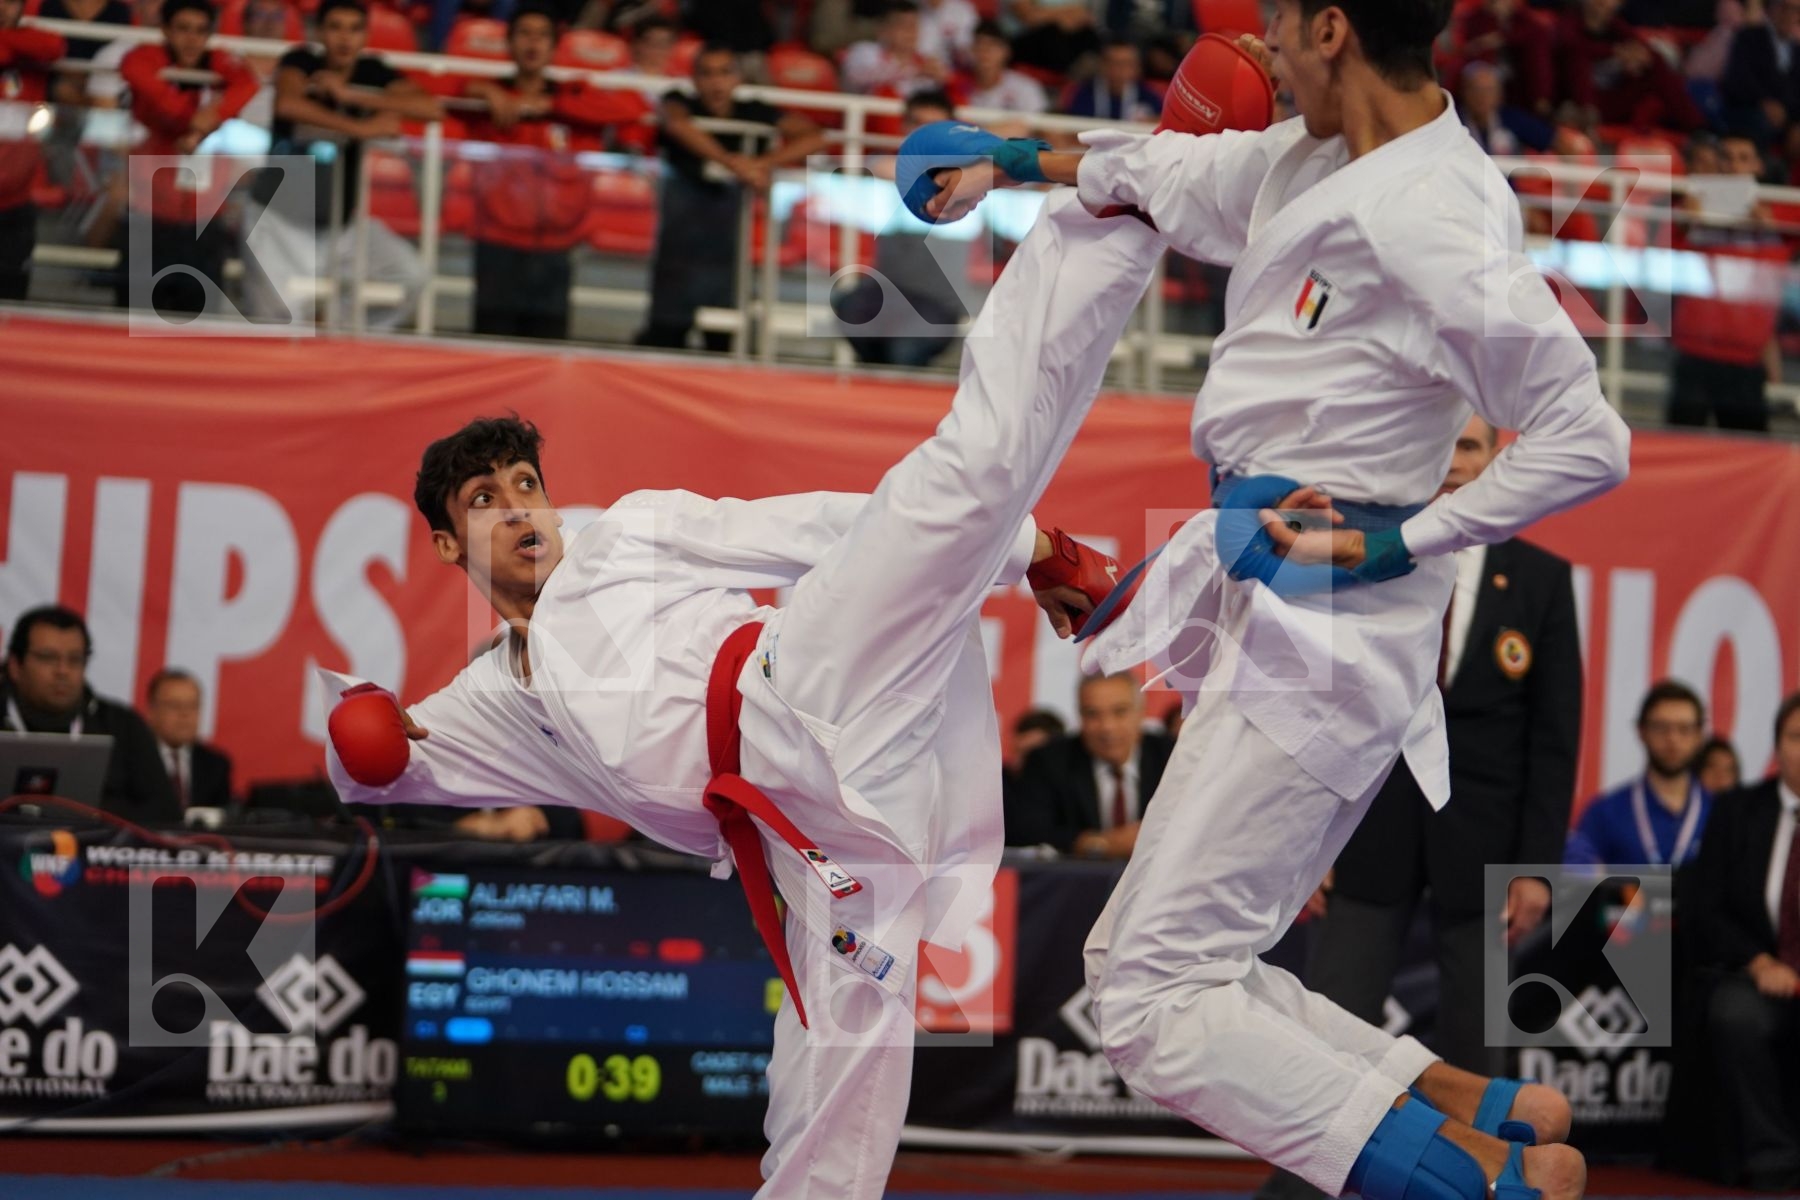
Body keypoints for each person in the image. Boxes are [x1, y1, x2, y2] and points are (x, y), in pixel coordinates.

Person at [322, 116, 1163, 1195]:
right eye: (486, 502)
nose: (520, 510)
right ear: (448, 544)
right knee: (840, 1063)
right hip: (801, 839)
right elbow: (389, 766)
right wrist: (364, 735)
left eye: (525, 485)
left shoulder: (624, 533)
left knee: (970, 469)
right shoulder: (493, 698)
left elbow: (812, 529)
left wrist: (1026, 552)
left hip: (804, 676)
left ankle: (1125, 197)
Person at [914, 2, 1631, 1196]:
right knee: (1168, 958)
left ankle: (1481, 1184)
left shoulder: (1435, 216)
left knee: (1145, 1003)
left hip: (1336, 638)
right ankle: (1468, 1102)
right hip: (1276, 606)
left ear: (1334, 27)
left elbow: (1586, 437)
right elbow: (1166, 166)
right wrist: (1001, 155)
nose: (1256, 52)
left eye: (1275, 26)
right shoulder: (1316, 155)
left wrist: (1406, 537)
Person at [1257, 414, 1583, 1200]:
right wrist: (1307, 845)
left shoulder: (1539, 578)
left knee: (1479, 1055)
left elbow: (1554, 737)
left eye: (1467, 448)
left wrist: (1535, 869)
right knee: (1329, 1033)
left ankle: (1487, 1181)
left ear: (1494, 457)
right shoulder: (1361, 559)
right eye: (1440, 448)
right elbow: (1316, 711)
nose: (1452, 466)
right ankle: (1300, 1190)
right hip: (1367, 837)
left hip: (1482, 850)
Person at [240, 0, 442, 330]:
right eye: (335, 28)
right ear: (319, 32)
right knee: (275, 332)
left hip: (342, 226)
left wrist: (353, 96)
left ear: (365, 35)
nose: (344, 38)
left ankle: (334, 330)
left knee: (411, 275)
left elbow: (431, 108)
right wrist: (361, 129)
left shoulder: (371, 71)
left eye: (354, 29)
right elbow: (289, 103)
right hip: (279, 222)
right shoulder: (301, 61)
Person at [463, 2, 640, 339]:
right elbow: (437, 92)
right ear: (510, 42)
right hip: (497, 243)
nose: (533, 44)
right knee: (490, 347)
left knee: (547, 348)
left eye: (542, 36)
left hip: (557, 246)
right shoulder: (489, 98)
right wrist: (482, 91)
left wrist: (552, 106)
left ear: (554, 46)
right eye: (525, 35)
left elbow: (632, 108)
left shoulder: (572, 96)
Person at [636, 44, 823, 351]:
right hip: (679, 250)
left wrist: (762, 163)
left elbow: (814, 136)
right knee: (664, 339)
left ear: (738, 78)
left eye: (724, 73)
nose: (716, 82)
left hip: (729, 254)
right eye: (707, 74)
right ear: (694, 79)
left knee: (726, 344)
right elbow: (677, 124)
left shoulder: (753, 111)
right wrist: (731, 161)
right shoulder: (679, 102)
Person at [1692, 691, 1800, 1191]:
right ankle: (1774, 1157)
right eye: (1797, 738)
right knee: (1734, 1016)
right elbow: (1706, 908)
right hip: (1755, 974)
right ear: (1777, 747)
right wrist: (1759, 961)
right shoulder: (1737, 811)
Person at [120, 0, 259, 315]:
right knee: (131, 322)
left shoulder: (220, 66)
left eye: (200, 31)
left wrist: (204, 122)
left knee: (199, 328)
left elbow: (248, 82)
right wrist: (196, 119)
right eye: (182, 29)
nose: (191, 39)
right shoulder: (147, 58)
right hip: (148, 214)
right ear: (166, 30)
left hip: (205, 220)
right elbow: (134, 70)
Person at [2, 606, 179, 820]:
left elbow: (166, 811)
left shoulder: (121, 725)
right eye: (47, 658)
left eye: (75, 659)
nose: (62, 671)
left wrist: (95, 814)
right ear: (15, 666)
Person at [839, 89, 970, 367]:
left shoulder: (973, 173)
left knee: (904, 349)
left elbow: (1018, 129)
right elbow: (879, 168)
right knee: (849, 305)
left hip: (938, 303)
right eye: (919, 125)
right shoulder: (884, 167)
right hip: (883, 295)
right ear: (904, 126)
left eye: (936, 128)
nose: (927, 135)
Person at [1667, 134, 1785, 432]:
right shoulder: (1687, 210)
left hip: (1746, 361)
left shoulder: (1780, 213)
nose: (1733, 165)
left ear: (1759, 166)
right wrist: (1693, 216)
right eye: (1726, 158)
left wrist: (1767, 225)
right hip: (1695, 353)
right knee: (1680, 455)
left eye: (1743, 158)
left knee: (1750, 461)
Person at [1004, 672, 1175, 856]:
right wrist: (1098, 844)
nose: (1107, 726)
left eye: (1120, 712)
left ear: (1142, 712)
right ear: (1079, 716)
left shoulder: (1173, 756)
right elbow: (1025, 830)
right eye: (1093, 714)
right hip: (1074, 882)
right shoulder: (1048, 760)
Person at [1566, 680, 1714, 867]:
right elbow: (1574, 874)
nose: (1672, 739)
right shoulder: (1606, 812)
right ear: (1641, 731)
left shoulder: (1718, 813)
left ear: (1700, 736)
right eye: (1661, 728)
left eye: (1684, 729)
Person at [1555, 0, 1705, 132]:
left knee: (1654, 63)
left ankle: (1697, 128)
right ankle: (1586, 118)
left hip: (1606, 104)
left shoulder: (1617, 27)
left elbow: (1645, 52)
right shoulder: (1569, 22)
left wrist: (1638, 57)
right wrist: (1615, 52)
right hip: (1573, 101)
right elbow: (1571, 46)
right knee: (1577, 60)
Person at [0, 0, 65, 301]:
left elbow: (53, 46)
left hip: (16, 200)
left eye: (11, 0)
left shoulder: (33, 41)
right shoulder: (24, 47)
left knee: (12, 299)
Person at [143, 667, 233, 810]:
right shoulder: (132, 761)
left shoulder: (216, 764)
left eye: (193, 706)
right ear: (151, 711)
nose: (185, 714)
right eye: (174, 705)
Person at [1452, 0, 1554, 118]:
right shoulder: (1476, 18)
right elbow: (1471, 51)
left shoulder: (1524, 20)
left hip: (1521, 94)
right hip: (1485, 92)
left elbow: (1537, 57)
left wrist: (1502, 35)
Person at [1722, 0, 1800, 149]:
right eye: (1784, 7)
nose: (1789, 15)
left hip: (1787, 115)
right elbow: (1737, 80)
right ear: (1770, 9)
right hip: (1750, 109)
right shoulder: (1749, 37)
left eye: (1796, 10)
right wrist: (1764, 102)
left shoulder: (1797, 50)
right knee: (1760, 123)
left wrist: (1790, 114)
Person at [842, 1, 948, 97]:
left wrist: (945, 79)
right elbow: (856, 78)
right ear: (884, 30)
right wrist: (912, 72)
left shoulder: (926, 61)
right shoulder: (865, 51)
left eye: (914, 25)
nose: (910, 32)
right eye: (904, 25)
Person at [956, 20, 1048, 118]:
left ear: (1007, 51)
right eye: (979, 44)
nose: (985, 50)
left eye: (993, 44)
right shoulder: (956, 85)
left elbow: (1037, 127)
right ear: (971, 50)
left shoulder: (1026, 88)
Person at [1062, 36, 1164, 122]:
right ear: (1102, 65)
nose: (1120, 69)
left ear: (1137, 67)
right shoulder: (1083, 93)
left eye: (1126, 63)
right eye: (1114, 63)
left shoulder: (1149, 96)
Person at [1459, 61, 1550, 154]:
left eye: (1489, 90)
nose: (1482, 97)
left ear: (1499, 94)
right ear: (1464, 92)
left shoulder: (1513, 119)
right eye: (1476, 90)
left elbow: (1552, 139)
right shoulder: (1455, 122)